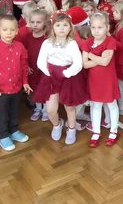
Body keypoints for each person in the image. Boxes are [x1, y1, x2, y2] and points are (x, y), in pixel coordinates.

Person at [34, 11, 87, 145]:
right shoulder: (47, 43)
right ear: (52, 27)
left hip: (68, 76)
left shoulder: (72, 43)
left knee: (69, 107)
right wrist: (48, 72)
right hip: (51, 76)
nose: (61, 28)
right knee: (50, 109)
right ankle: (57, 125)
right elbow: (40, 61)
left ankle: (71, 129)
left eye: (65, 25)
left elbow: (78, 64)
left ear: (70, 27)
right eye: (58, 25)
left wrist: (66, 73)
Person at [0, 16, 32, 151]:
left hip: (17, 88)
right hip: (1, 90)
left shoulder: (20, 47)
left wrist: (25, 82)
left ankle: (14, 130)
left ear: (17, 31)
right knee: (2, 113)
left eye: (12, 30)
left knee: (14, 111)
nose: (8, 33)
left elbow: (24, 66)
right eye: (5, 30)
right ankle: (3, 135)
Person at [81, 12, 121, 147]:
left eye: (100, 27)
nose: (96, 31)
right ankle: (96, 132)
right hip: (94, 80)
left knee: (111, 104)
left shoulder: (110, 41)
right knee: (96, 105)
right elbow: (85, 64)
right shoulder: (87, 42)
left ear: (107, 27)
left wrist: (91, 55)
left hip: (108, 79)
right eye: (93, 27)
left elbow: (105, 62)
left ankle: (114, 130)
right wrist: (99, 58)